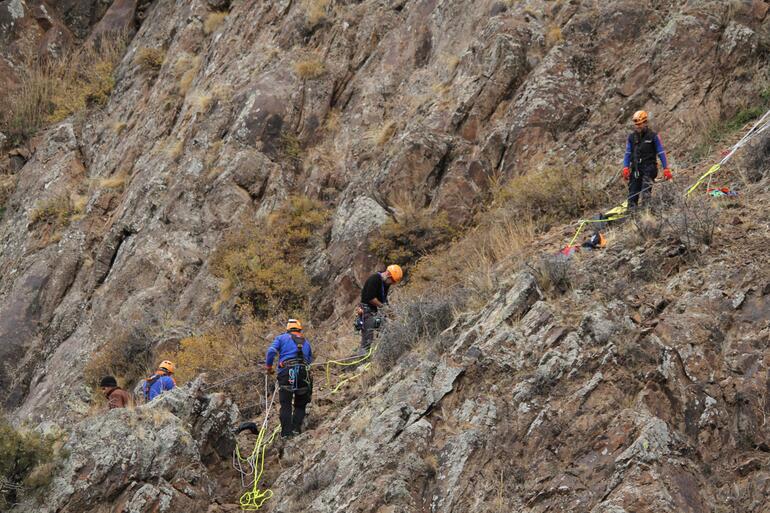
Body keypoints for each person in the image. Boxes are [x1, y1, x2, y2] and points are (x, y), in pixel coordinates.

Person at [265, 319, 313, 439]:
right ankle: (296, 429)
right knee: (300, 405)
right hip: (303, 373)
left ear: (288, 329)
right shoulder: (306, 342)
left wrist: (269, 368)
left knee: (286, 404)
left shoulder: (281, 338)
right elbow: (309, 360)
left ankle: (286, 434)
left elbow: (271, 352)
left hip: (286, 372)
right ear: (299, 329)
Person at [622, 110, 672, 208]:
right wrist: (625, 167)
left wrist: (666, 168)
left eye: (640, 124)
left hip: (649, 168)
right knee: (632, 196)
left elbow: (661, 152)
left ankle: (646, 216)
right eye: (636, 124)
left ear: (645, 122)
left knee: (645, 193)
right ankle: (632, 217)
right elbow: (628, 153)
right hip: (636, 169)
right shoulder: (631, 138)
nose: (637, 126)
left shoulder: (653, 136)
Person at [356, 264, 403, 352]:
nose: (392, 283)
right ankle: (361, 359)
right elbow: (370, 298)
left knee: (387, 330)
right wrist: (384, 308)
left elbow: (383, 298)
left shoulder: (385, 283)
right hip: (366, 311)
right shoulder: (374, 279)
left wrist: (390, 311)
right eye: (392, 281)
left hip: (375, 311)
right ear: (388, 275)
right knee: (367, 339)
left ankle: (384, 352)